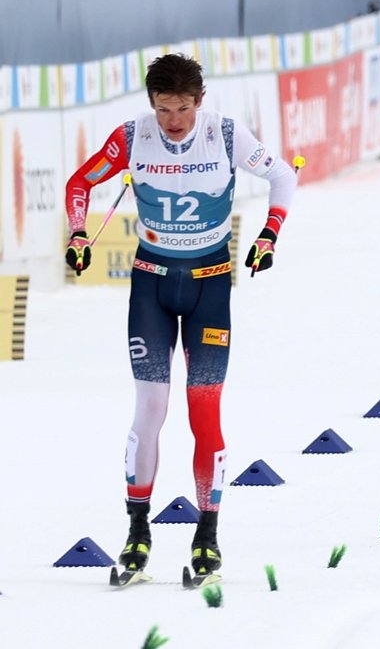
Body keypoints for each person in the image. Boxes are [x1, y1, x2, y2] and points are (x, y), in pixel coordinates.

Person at [63, 53, 298, 577]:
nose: (174, 120)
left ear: (201, 101)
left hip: (209, 291)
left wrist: (270, 234)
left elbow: (282, 176)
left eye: (184, 108)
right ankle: (137, 532)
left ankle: (207, 537)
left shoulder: (226, 134)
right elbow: (79, 183)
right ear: (151, 103)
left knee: (203, 413)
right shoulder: (132, 137)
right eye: (165, 108)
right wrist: (78, 232)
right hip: (150, 287)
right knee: (150, 409)